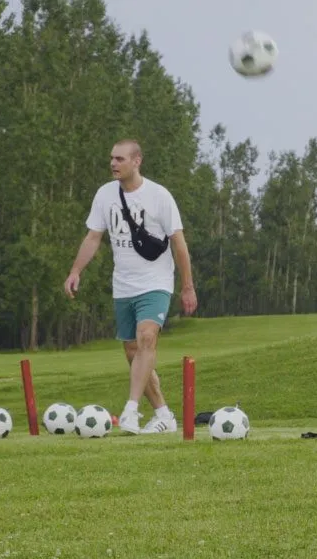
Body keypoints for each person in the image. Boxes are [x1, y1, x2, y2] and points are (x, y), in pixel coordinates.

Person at [64, 139, 198, 435]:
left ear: (137, 161)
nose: (113, 164)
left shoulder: (159, 196)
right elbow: (93, 237)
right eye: (111, 158)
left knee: (147, 338)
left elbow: (179, 243)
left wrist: (187, 286)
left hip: (156, 282)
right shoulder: (104, 195)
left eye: (120, 159)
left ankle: (131, 410)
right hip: (123, 285)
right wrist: (75, 271)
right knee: (133, 351)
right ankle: (163, 413)